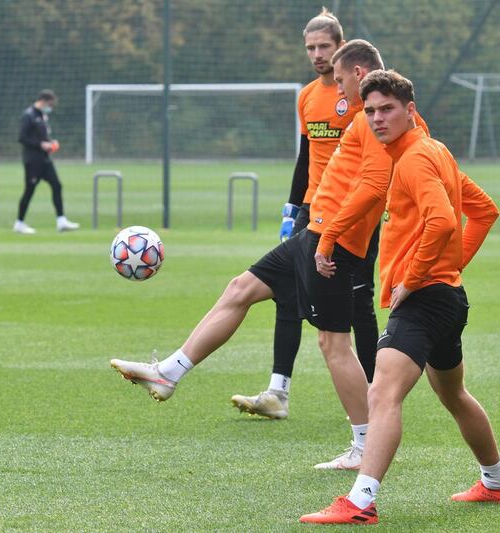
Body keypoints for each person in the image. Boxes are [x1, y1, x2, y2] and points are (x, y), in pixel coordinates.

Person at [108, 44, 401, 472]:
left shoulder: (376, 122)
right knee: (241, 287)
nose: (337, 88)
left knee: (333, 344)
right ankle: (169, 372)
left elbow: (375, 187)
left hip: (331, 246)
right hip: (312, 235)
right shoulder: (364, 118)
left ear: (358, 73)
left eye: (340, 81)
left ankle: (364, 445)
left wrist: (329, 237)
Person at [300, 70, 500, 525]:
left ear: (410, 110)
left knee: (382, 393)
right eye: (371, 110)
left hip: (425, 300)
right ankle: (496, 483)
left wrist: (417, 278)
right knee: (454, 395)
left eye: (387, 109)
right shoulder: (433, 150)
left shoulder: (415, 159)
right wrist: (448, 269)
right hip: (447, 297)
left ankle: (360, 502)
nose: (377, 119)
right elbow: (484, 210)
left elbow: (442, 223)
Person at [230, 9, 375, 421]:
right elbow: (305, 154)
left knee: (359, 301)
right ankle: (278, 390)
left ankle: (375, 390)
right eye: (310, 47)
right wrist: (292, 209)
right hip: (313, 209)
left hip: (351, 213)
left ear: (340, 46)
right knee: (285, 292)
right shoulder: (308, 95)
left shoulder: (361, 95)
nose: (316, 54)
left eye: (324, 46)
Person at [14, 89, 79, 234]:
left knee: (57, 185)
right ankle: (19, 223)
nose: (51, 107)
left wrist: (50, 143)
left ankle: (61, 221)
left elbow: (41, 136)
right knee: (29, 191)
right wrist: (40, 145)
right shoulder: (28, 115)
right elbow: (22, 138)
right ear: (43, 101)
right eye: (50, 104)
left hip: (45, 160)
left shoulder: (42, 116)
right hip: (32, 161)